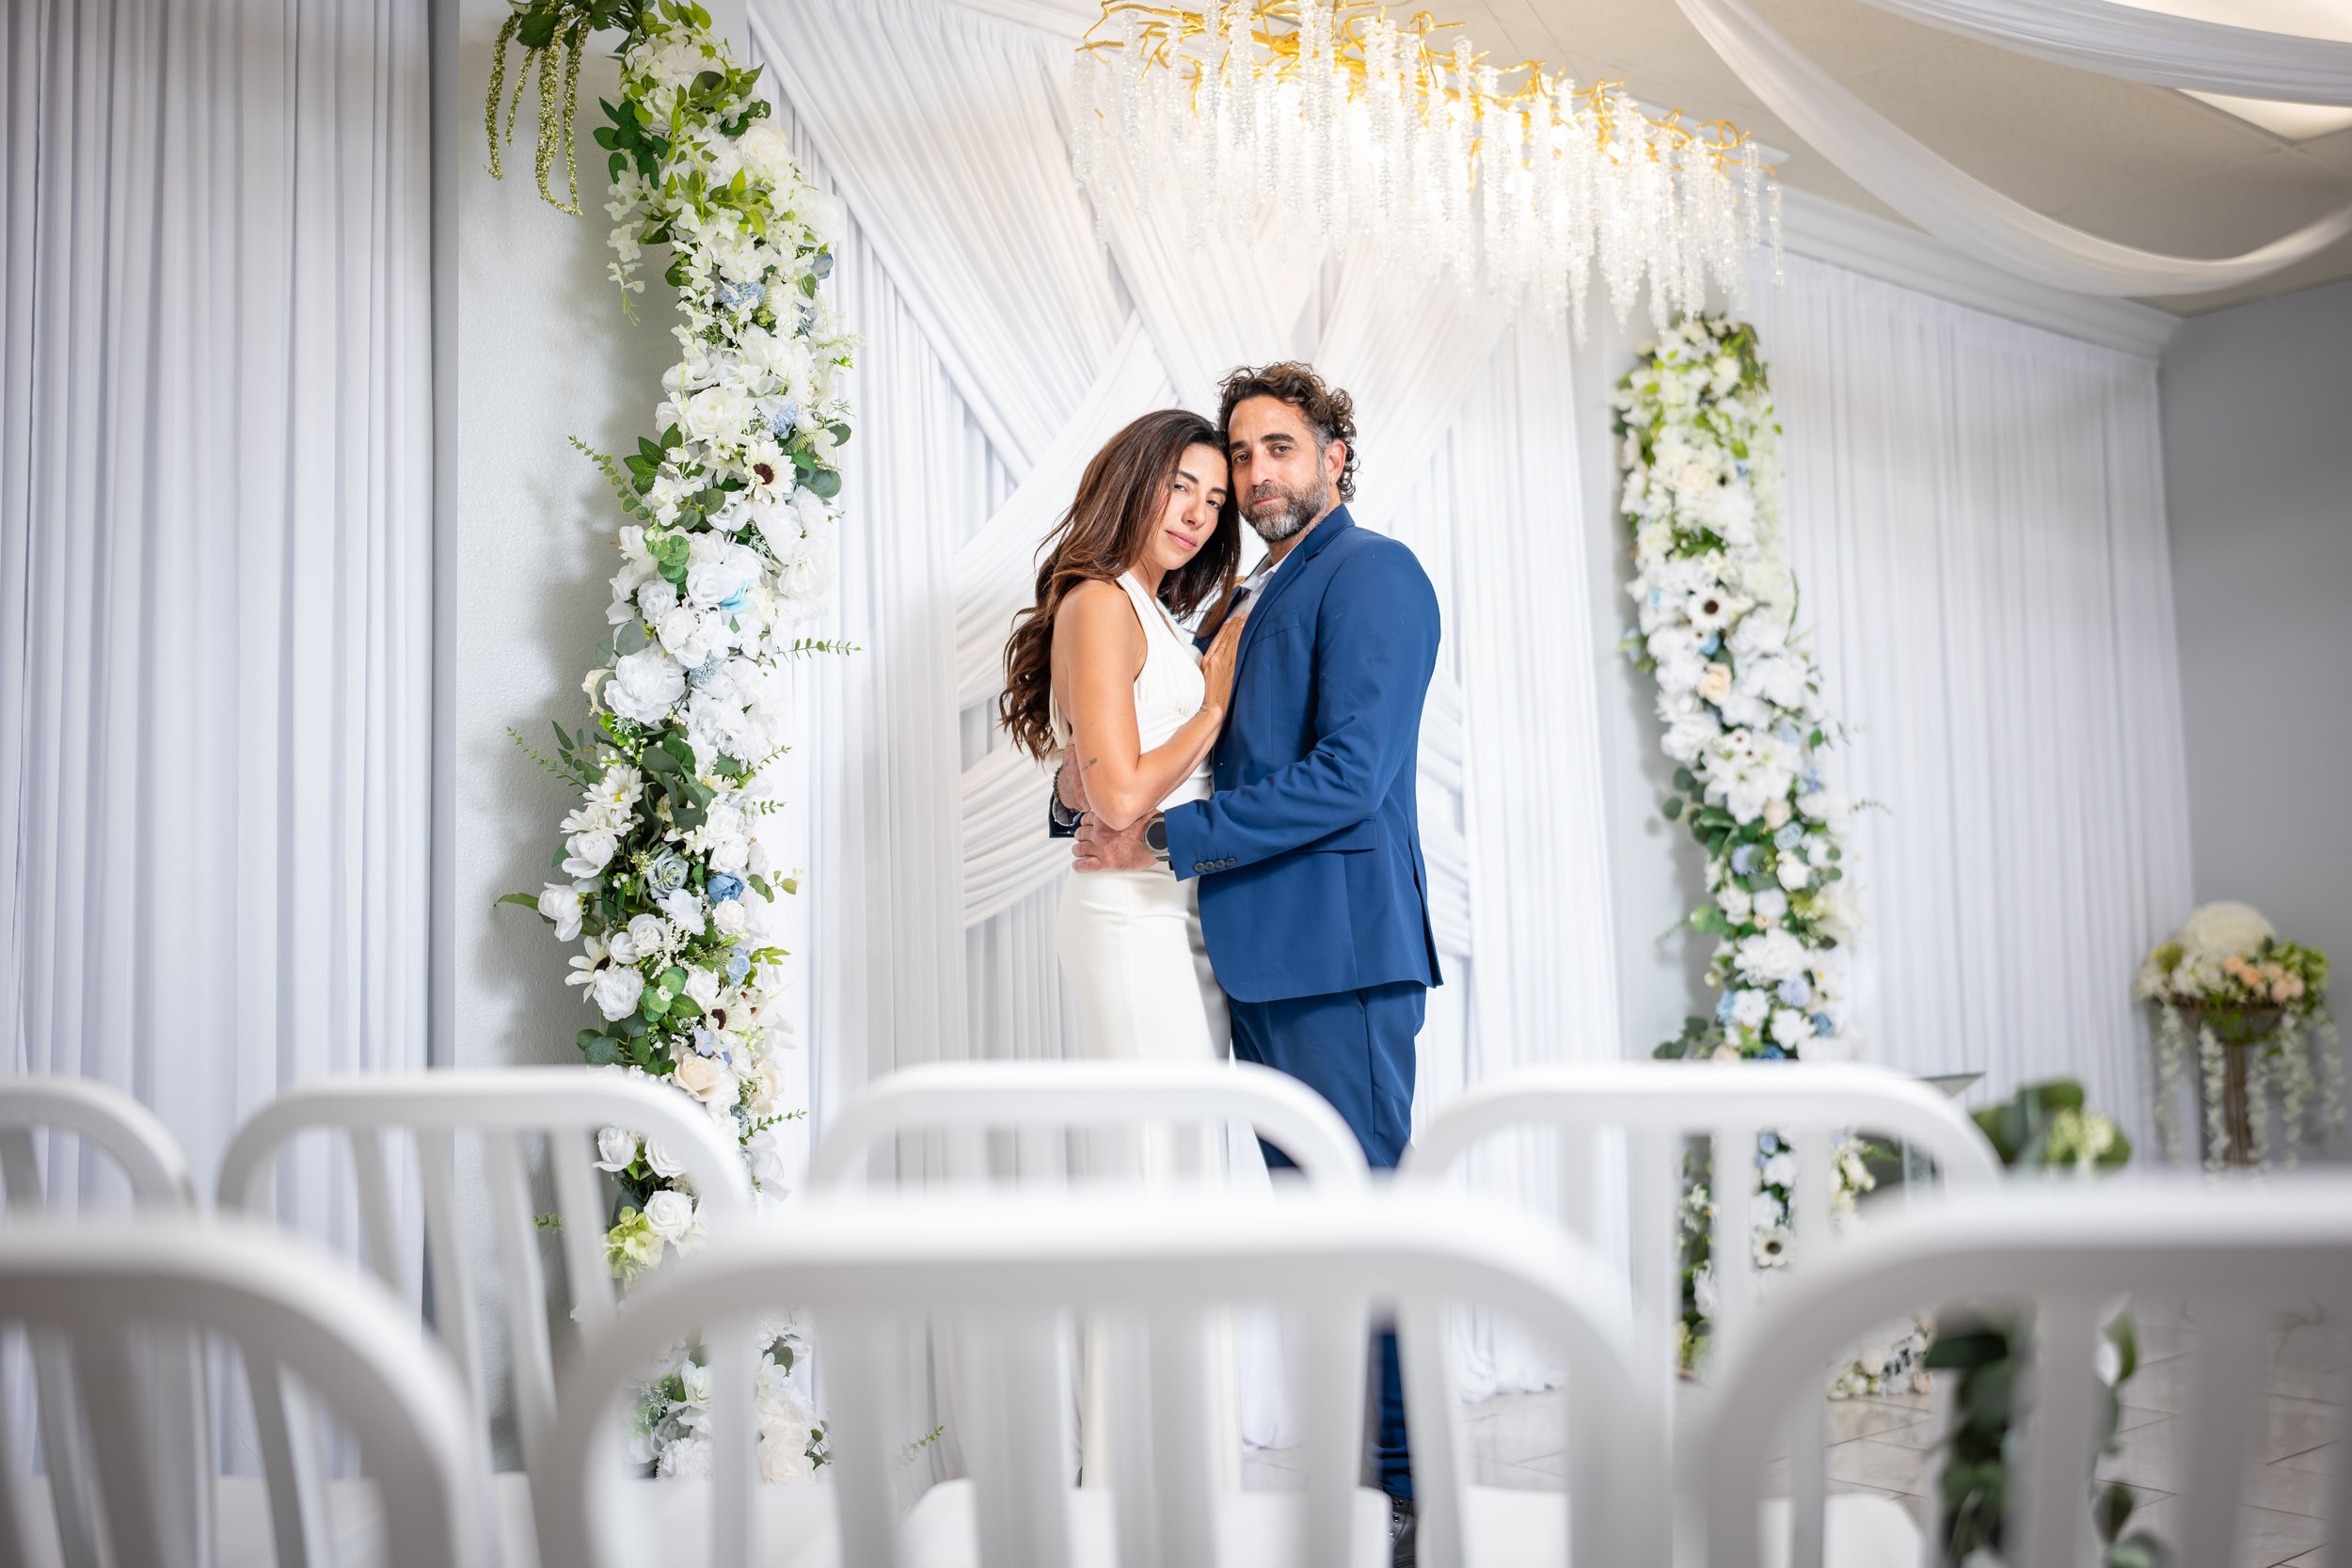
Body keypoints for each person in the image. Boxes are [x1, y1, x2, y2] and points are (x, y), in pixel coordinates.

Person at [1060, 363, 1443, 1560]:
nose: (1256, 476)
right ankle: (1344, 1488)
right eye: (1243, 457)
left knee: (1363, 1228)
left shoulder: (1372, 571)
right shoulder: (1246, 595)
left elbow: (1351, 775)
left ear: (1336, 454)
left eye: (1279, 448)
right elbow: (1164, 745)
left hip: (1335, 958)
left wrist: (1169, 835)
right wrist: (1090, 803)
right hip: (1253, 966)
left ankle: (1407, 1498)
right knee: (1308, 1241)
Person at [998, 405, 1249, 1485]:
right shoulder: (1100, 600)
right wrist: (1216, 700)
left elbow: (1093, 789)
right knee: (1154, 1193)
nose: (1196, 511)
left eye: (1213, 496)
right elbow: (1118, 789)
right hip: (1126, 920)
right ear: (1133, 481)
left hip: (1172, 915)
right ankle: (1124, 1492)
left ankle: (1186, 1477)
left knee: (1183, 1195)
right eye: (1180, 484)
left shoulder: (1150, 606)